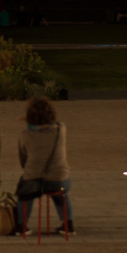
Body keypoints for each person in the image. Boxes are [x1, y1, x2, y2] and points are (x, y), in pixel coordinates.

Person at [15, 97, 73, 235]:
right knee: (61, 194)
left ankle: (22, 226)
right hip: (58, 178)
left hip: (34, 178)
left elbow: (23, 159)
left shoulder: (26, 135)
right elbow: (56, 123)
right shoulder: (61, 131)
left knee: (24, 195)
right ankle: (68, 225)